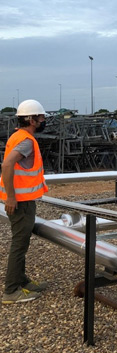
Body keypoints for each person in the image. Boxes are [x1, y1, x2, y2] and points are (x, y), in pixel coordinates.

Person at [0, 99, 49, 304]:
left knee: (22, 242)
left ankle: (21, 281)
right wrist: (11, 197)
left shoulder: (18, 136)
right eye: (41, 117)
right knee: (19, 245)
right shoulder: (27, 141)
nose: (43, 121)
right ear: (31, 120)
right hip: (21, 202)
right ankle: (11, 290)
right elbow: (7, 165)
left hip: (22, 200)